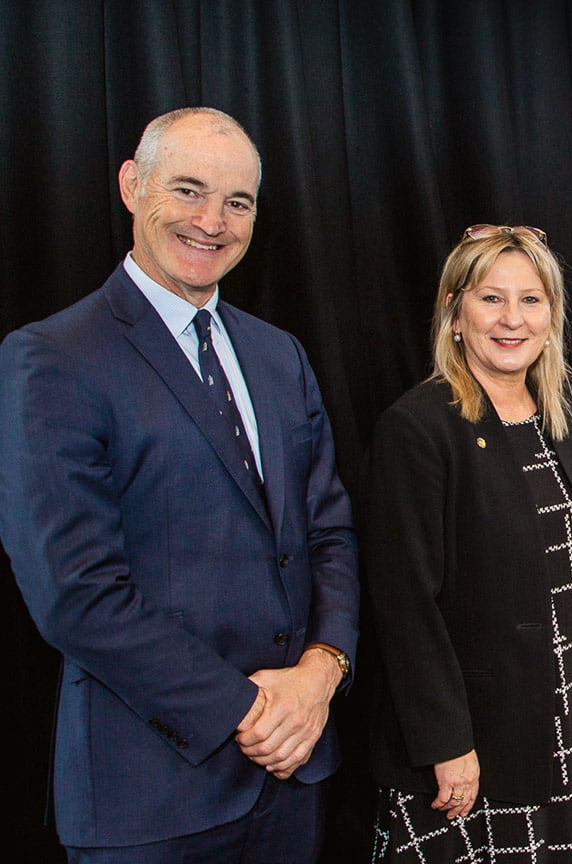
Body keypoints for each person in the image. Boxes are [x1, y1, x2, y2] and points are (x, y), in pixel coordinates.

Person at [0, 107, 358, 862]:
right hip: (151, 799)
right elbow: (75, 593)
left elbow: (329, 533)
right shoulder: (54, 358)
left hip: (293, 784)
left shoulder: (279, 355)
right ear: (133, 186)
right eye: (188, 190)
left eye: (238, 201)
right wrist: (253, 711)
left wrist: (323, 673)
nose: (212, 222)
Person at [363, 224, 572, 863]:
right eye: (491, 299)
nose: (513, 320)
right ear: (455, 312)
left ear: (553, 316)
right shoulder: (418, 427)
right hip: (474, 737)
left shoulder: (565, 416)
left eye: (531, 300)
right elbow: (404, 607)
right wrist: (445, 742)